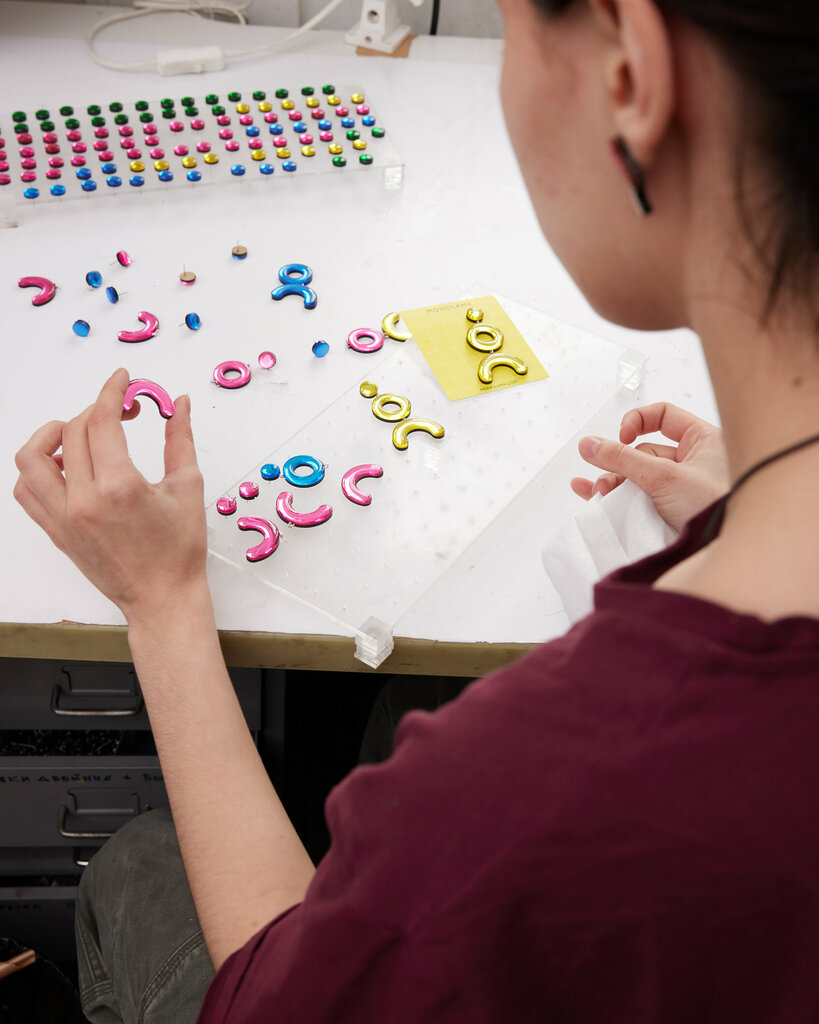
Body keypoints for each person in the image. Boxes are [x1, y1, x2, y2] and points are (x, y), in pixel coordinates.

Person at [14, 0, 819, 1020]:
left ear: (630, 76)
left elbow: (273, 998)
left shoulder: (526, 785)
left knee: (139, 861)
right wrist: (752, 512)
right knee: (397, 718)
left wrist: (164, 603)